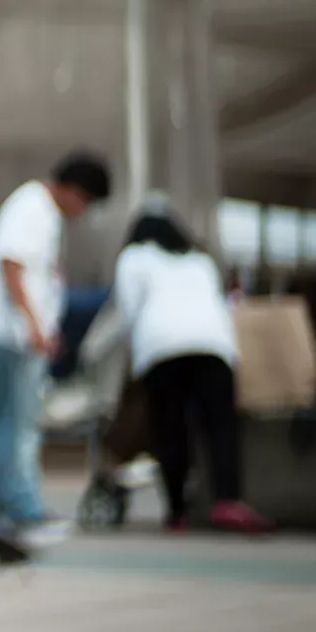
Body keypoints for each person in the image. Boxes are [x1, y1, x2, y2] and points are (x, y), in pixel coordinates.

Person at [0, 151, 112, 553]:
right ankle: (22, 512)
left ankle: (9, 512)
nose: (82, 212)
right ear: (73, 190)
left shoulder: (40, 209)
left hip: (16, 336)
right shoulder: (31, 207)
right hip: (7, 337)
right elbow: (11, 265)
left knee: (9, 426)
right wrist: (33, 326)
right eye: (85, 201)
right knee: (17, 428)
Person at [113, 200, 273, 533]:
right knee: (221, 425)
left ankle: (177, 509)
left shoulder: (133, 258)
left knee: (170, 427)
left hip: (160, 346)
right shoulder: (199, 259)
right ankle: (227, 499)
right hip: (213, 343)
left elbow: (127, 311)